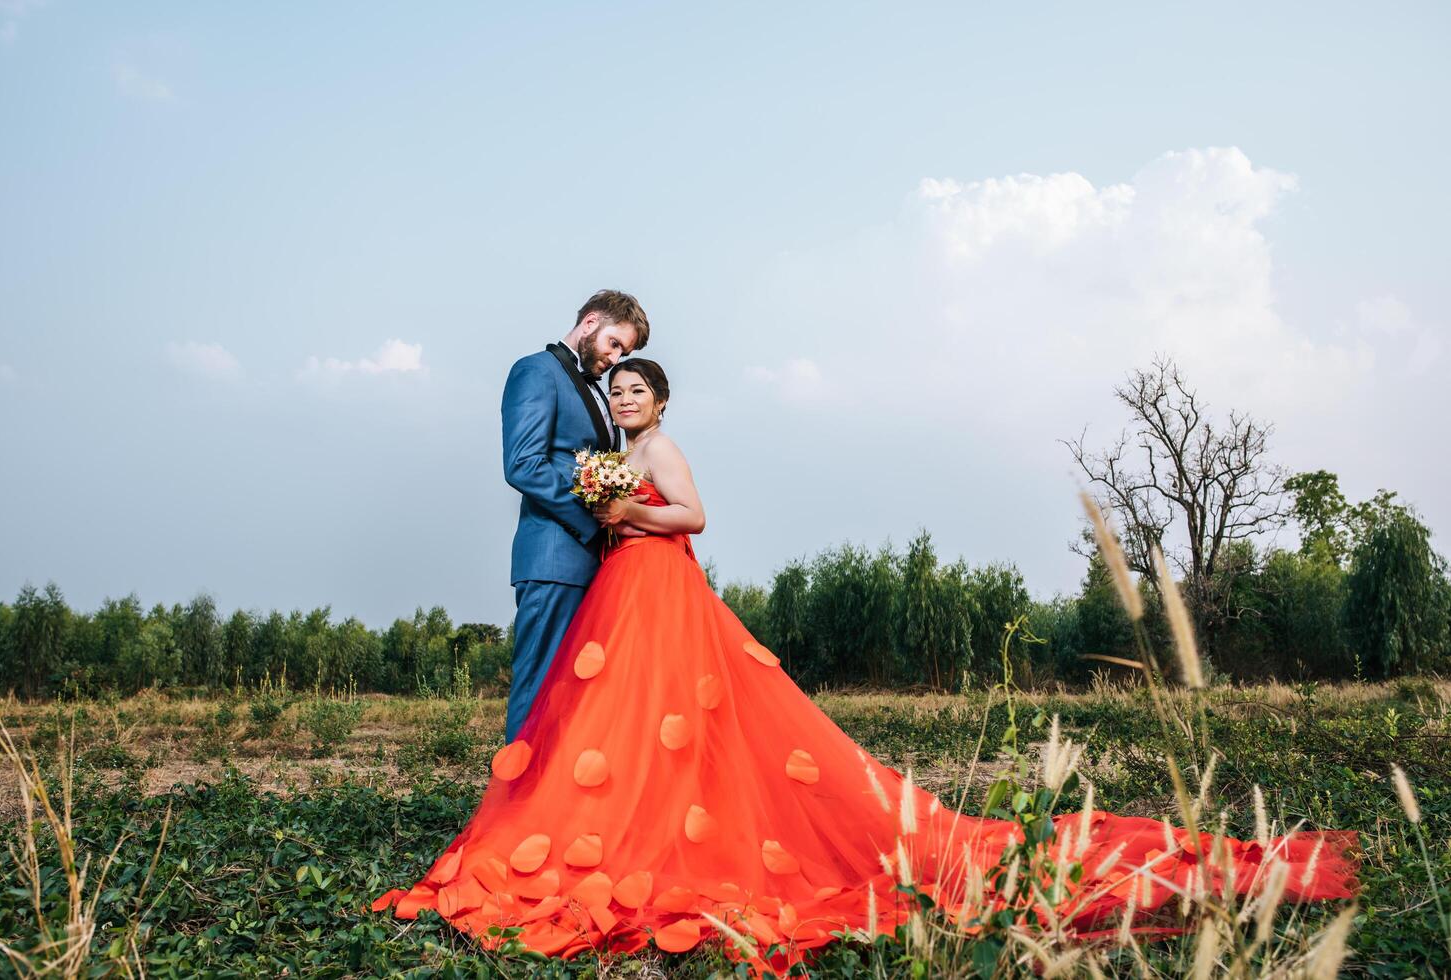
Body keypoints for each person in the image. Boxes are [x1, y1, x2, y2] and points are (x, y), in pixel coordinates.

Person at [376, 359, 1358, 969]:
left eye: (639, 387)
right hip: (623, 589)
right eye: (619, 387)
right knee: (619, 720)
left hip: (658, 580)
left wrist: (621, 507)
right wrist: (603, 498)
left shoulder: (662, 450)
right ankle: (616, 822)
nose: (626, 394)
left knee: (684, 713)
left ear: (660, 399)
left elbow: (694, 517)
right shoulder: (615, 450)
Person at [499, 290, 650, 741]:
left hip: (594, 564)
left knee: (575, 695)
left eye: (624, 351)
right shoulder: (535, 372)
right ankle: (515, 804)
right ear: (589, 324)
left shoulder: (598, 393)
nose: (616, 357)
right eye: (614, 344)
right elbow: (523, 465)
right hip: (553, 560)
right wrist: (595, 520)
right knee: (539, 686)